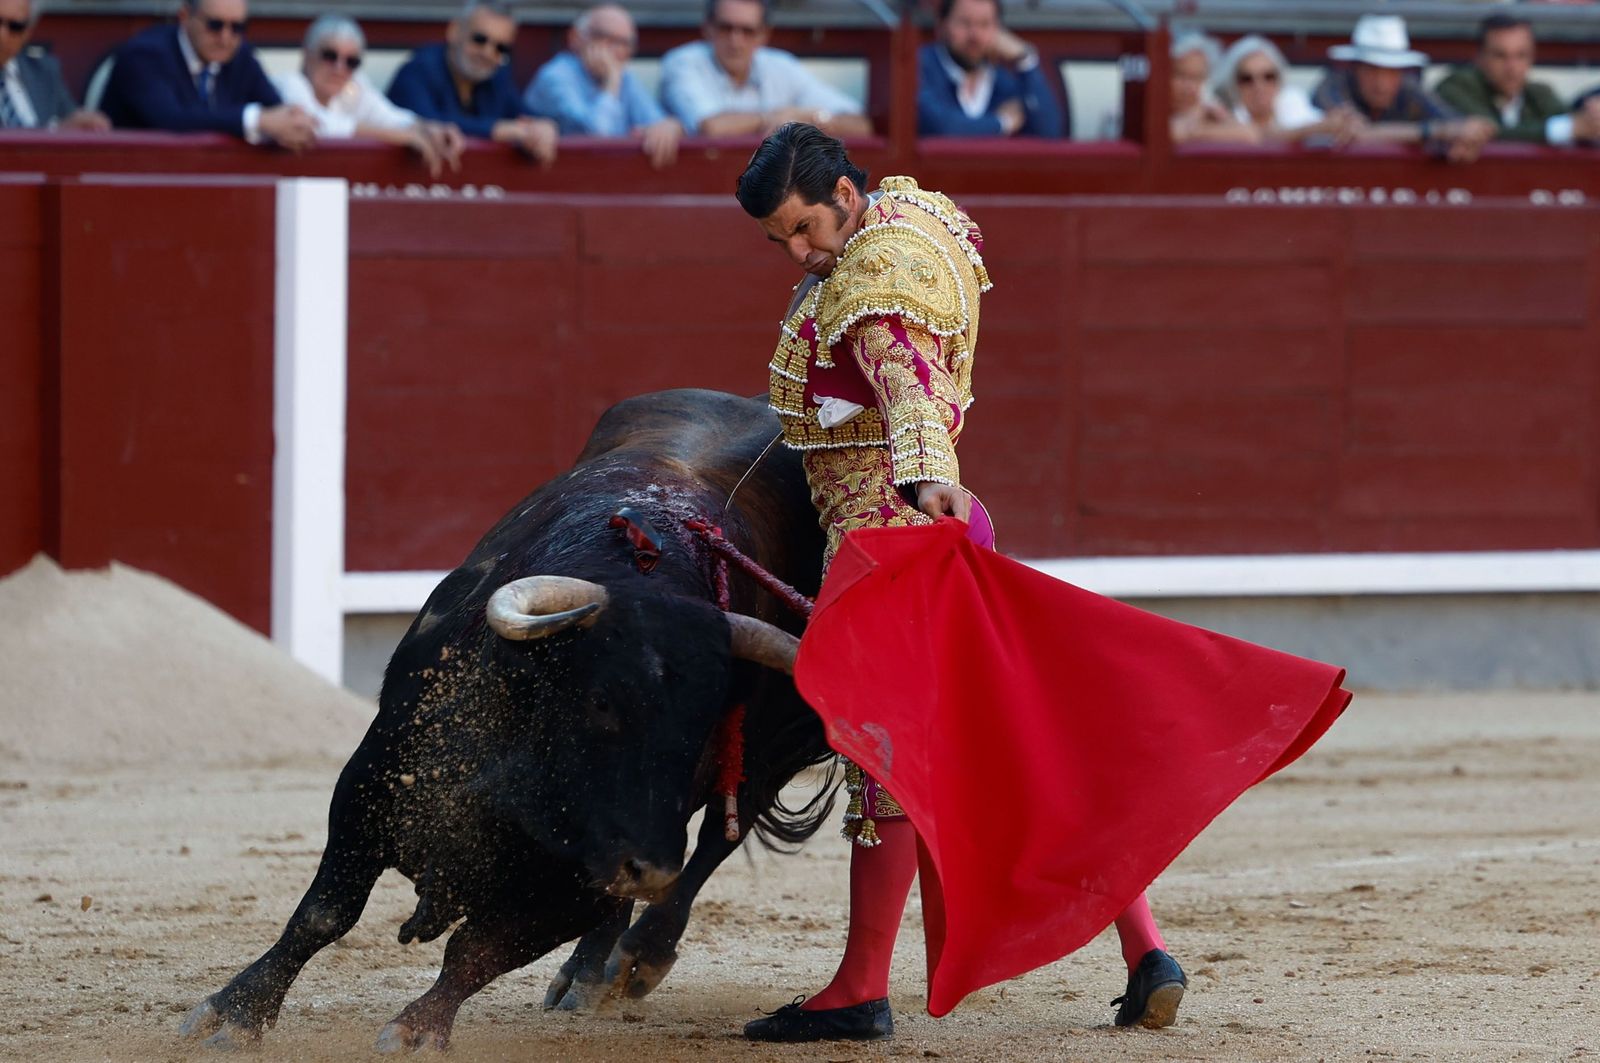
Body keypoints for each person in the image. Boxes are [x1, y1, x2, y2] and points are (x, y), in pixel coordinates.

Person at [732, 123, 1187, 1041]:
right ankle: (1148, 950)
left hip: (892, 546)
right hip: (943, 532)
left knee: (888, 769)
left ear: (846, 200)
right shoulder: (913, 216)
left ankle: (861, 986)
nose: (797, 252)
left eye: (804, 229)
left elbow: (904, 381)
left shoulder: (869, 279)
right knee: (1019, 755)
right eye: (779, 239)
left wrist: (925, 471)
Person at [99, 0, 315, 149]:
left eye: (237, 27)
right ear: (184, 16)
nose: (225, 37)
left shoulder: (240, 55)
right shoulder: (144, 55)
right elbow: (171, 120)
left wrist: (293, 119)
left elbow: (273, 108)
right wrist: (255, 120)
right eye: (215, 25)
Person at [272, 15, 463, 176]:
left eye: (351, 61)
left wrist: (426, 127)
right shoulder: (288, 84)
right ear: (307, 53)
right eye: (330, 56)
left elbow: (390, 117)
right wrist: (400, 136)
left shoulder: (353, 88)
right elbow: (320, 126)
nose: (340, 68)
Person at [658, 0, 870, 138]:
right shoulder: (683, 62)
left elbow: (860, 126)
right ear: (707, 29)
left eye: (747, 31)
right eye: (726, 28)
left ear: (763, 35)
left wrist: (810, 117)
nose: (736, 41)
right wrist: (772, 119)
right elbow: (711, 128)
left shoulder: (780, 65)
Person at [388, 0, 557, 165]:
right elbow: (428, 124)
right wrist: (501, 130)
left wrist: (543, 126)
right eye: (479, 39)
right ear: (454, 32)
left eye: (501, 48)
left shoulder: (497, 76)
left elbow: (523, 116)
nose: (488, 53)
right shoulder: (418, 70)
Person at [1312, 14, 1496, 163]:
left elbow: (1455, 123)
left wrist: (1466, 136)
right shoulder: (1331, 87)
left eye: (1391, 72)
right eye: (1371, 70)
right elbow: (1356, 132)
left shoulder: (1408, 87)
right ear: (1355, 68)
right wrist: (1434, 132)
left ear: (1401, 72)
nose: (1381, 83)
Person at [524, 2, 683, 168]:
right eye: (605, 38)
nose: (617, 50)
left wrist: (670, 127)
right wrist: (611, 84)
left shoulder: (625, 78)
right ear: (575, 38)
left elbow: (657, 122)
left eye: (625, 43)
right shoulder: (555, 76)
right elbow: (597, 140)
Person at [1434, 12, 1600, 146]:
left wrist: (1591, 119)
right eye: (1500, 56)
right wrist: (1565, 129)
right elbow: (1488, 131)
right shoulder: (1456, 87)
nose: (1512, 68)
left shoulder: (1538, 93)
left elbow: (1572, 121)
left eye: (1521, 56)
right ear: (1480, 58)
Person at [917, 0, 1064, 138]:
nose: (975, 36)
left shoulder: (1001, 80)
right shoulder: (920, 67)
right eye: (964, 23)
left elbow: (1049, 132)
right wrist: (1002, 122)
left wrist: (1025, 60)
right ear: (941, 25)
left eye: (984, 24)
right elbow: (942, 127)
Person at [1212, 34, 1362, 145]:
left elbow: (1318, 124)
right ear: (1233, 83)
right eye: (1247, 79)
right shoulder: (1223, 109)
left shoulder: (1290, 101)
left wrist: (1342, 123)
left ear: (1279, 80)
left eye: (1268, 76)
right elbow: (1256, 135)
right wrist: (1316, 129)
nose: (1259, 86)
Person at [0, 0, 109, 130]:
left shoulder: (43, 71)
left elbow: (72, 120)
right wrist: (53, 133)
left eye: (15, 26)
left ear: (27, 32)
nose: (2, 35)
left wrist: (86, 124)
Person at [1168, 30, 1257, 144]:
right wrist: (1196, 117)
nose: (1188, 87)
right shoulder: (1150, 109)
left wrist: (1198, 130)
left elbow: (1250, 134)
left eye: (1196, 78)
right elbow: (1172, 133)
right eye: (1180, 75)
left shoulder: (1209, 111)